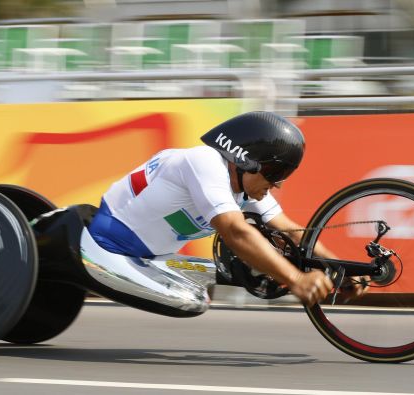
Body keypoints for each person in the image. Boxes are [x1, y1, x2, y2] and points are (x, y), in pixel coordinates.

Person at [88, 111, 368, 306]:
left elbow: (293, 233)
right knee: (191, 302)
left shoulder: (246, 188)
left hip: (151, 258)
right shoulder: (205, 161)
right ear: (246, 160)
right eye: (274, 172)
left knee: (202, 297)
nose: (277, 183)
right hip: (108, 244)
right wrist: (295, 279)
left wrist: (342, 268)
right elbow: (235, 231)